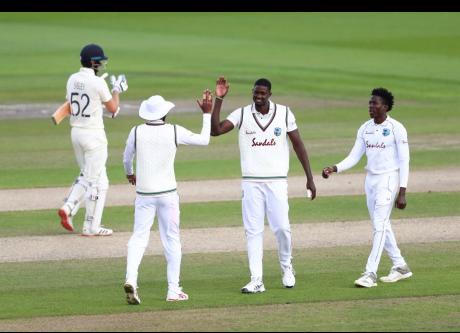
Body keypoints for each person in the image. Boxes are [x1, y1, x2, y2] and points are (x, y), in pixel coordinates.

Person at [210, 76, 316, 293]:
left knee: (282, 229)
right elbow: (216, 130)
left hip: (277, 182)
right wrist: (219, 99)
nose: (258, 97)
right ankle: (256, 279)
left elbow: (298, 145)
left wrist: (310, 177)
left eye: (262, 94)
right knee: (253, 231)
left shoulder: (285, 113)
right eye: (255, 93)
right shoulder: (241, 113)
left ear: (269, 94)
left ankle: (287, 268)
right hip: (251, 183)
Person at [122, 90, 213, 304]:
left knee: (138, 238)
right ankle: (173, 290)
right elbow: (204, 140)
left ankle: (131, 279)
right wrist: (206, 114)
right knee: (172, 240)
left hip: (144, 194)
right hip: (168, 195)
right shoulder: (174, 131)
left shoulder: (135, 131)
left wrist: (130, 173)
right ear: (164, 113)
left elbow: (127, 157)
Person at [322, 87, 413, 288]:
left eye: (375, 103)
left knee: (379, 225)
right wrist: (335, 168)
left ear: (386, 107)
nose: (371, 106)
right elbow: (354, 156)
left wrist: (403, 191)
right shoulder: (365, 128)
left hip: (389, 179)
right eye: (370, 103)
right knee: (381, 225)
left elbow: (405, 160)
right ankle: (400, 266)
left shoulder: (397, 128)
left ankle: (370, 273)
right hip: (371, 180)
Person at [58, 43, 128, 237]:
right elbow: (113, 108)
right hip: (94, 137)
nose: (101, 64)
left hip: (76, 134)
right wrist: (117, 90)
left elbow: (74, 105)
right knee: (90, 179)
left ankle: (91, 226)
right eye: (99, 61)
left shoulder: (72, 79)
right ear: (93, 63)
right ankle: (69, 206)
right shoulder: (98, 83)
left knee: (100, 181)